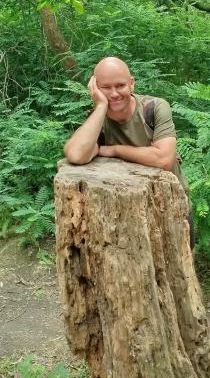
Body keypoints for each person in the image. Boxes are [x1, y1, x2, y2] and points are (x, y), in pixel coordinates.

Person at [64, 57, 192, 242]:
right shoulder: (97, 120)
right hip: (124, 214)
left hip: (171, 204)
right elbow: (76, 154)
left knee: (184, 257)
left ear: (131, 83)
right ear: (95, 88)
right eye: (105, 87)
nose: (114, 94)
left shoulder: (154, 108)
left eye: (120, 85)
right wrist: (101, 106)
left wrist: (114, 150)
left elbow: (163, 159)